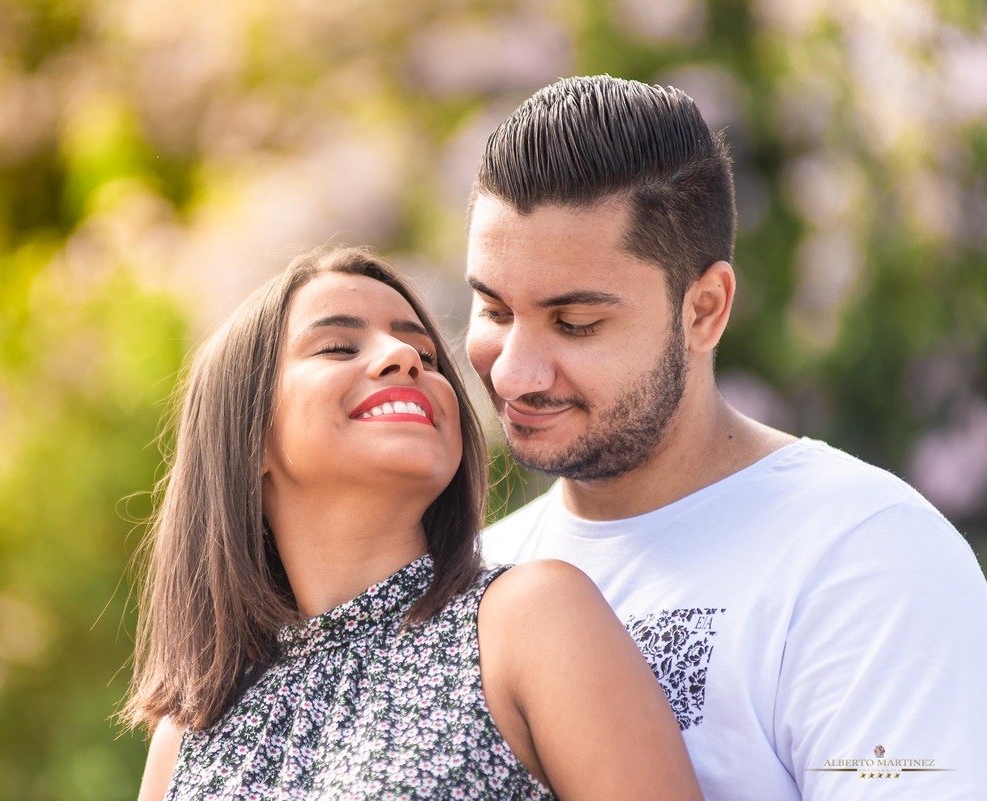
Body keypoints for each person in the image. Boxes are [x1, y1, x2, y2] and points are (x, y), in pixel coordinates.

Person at [466, 74, 987, 801]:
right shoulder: (475, 577)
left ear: (704, 309)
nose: (515, 372)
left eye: (575, 323)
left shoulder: (866, 558)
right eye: (492, 309)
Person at [124, 245, 702, 800]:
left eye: (425, 356)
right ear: (247, 441)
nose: (404, 360)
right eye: (337, 347)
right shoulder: (189, 733)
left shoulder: (527, 617)